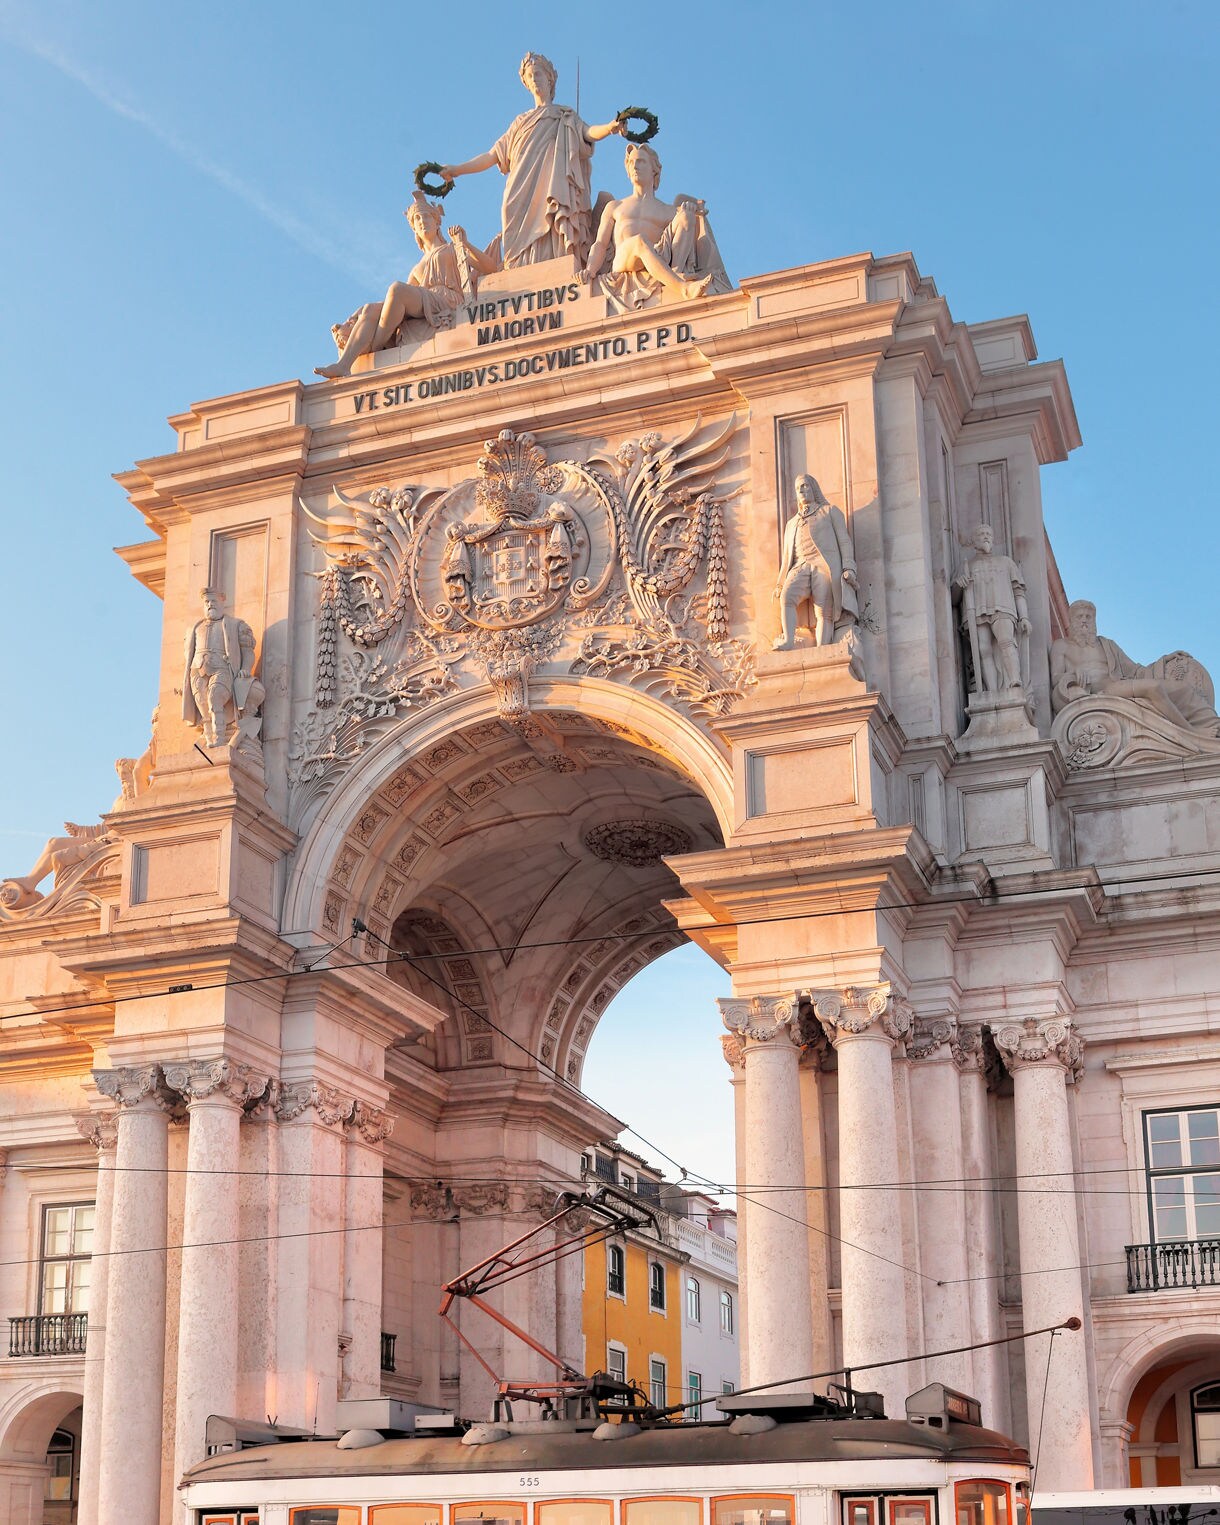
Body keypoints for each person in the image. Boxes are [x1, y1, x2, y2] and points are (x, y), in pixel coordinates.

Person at [438, 52, 624, 269]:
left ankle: (556, 266)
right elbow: (491, 156)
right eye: (529, 76)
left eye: (538, 73)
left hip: (554, 186)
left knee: (553, 219)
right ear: (526, 83)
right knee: (516, 238)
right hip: (520, 187)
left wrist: (610, 128)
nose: (534, 78)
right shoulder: (520, 122)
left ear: (549, 78)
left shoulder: (565, 116)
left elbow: (588, 132)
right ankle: (520, 272)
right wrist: (457, 169)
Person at [316, 195, 495, 379]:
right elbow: (395, 303)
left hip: (446, 299)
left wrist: (464, 243)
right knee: (370, 308)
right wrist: (360, 312)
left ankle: (374, 348)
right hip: (424, 301)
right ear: (414, 229)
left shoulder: (452, 248)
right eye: (417, 219)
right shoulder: (418, 267)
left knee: (396, 289)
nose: (422, 221)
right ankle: (343, 365)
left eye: (426, 216)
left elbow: (490, 267)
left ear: (437, 222)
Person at [583, 141, 729, 307]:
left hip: (657, 255)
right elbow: (600, 244)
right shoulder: (615, 206)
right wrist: (590, 270)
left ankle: (673, 275)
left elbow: (687, 228)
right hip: (624, 260)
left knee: (685, 215)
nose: (635, 166)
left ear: (654, 170)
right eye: (631, 162)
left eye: (641, 161)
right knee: (639, 241)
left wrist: (690, 210)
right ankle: (683, 288)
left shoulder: (668, 210)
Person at [1051, 599, 1220, 735]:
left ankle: (1212, 724)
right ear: (1071, 621)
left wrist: (1164, 660)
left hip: (1118, 685)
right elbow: (1055, 677)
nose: (1084, 621)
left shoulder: (1107, 644)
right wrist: (1073, 673)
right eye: (1080, 616)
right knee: (1153, 687)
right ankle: (1191, 732)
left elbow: (1136, 671)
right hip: (1100, 693)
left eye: (1088, 617)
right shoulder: (1061, 646)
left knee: (1181, 688)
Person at [773, 474, 858, 648]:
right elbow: (787, 557)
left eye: (804, 486)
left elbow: (844, 541)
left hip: (823, 565)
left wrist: (849, 567)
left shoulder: (829, 511)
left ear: (813, 488)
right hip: (800, 566)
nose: (801, 490)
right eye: (798, 489)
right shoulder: (791, 524)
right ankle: (789, 641)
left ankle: (822, 648)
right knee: (786, 598)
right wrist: (780, 584)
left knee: (823, 611)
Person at [952, 523, 1030, 692]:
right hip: (977, 611)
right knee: (983, 648)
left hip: (1003, 608)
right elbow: (953, 597)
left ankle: (1014, 680)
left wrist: (1024, 617)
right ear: (974, 542)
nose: (986, 536)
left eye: (989, 534)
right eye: (981, 534)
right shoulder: (968, 565)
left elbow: (1019, 592)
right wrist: (959, 584)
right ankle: (992, 691)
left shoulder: (1006, 562)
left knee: (1006, 641)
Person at [182, 588, 261, 748]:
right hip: (197, 669)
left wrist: (245, 667)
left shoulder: (236, 625)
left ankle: (219, 738)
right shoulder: (195, 628)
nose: (210, 605)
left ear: (222, 603)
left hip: (222, 668)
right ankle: (209, 737)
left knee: (215, 698)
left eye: (213, 601)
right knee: (203, 706)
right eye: (207, 602)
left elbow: (247, 650)